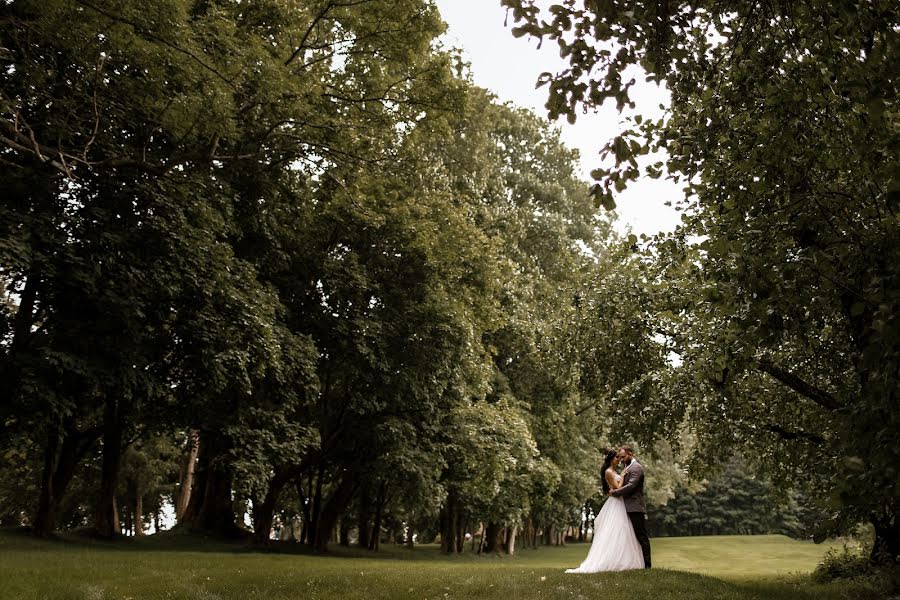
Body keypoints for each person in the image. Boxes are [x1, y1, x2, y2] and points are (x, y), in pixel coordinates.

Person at [564, 448, 645, 573]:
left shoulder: (614, 470)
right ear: (611, 459)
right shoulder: (608, 472)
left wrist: (622, 475)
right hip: (616, 504)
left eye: (620, 457)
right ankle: (613, 561)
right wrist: (623, 476)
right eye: (617, 458)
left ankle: (626, 560)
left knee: (624, 532)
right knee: (616, 531)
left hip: (622, 503)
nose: (619, 460)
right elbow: (618, 487)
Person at [609, 444, 652, 569]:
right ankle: (636, 564)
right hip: (626, 506)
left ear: (630, 454)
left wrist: (615, 493)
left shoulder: (636, 468)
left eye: (623, 457)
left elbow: (632, 486)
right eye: (620, 457)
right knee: (631, 537)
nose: (621, 460)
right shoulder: (627, 466)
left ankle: (648, 566)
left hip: (635, 507)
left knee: (641, 536)